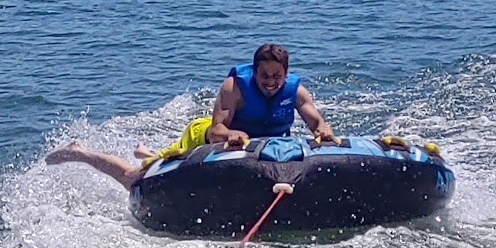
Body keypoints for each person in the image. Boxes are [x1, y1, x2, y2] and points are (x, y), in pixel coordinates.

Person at [45, 43, 336, 188]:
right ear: (254, 72)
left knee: (153, 160)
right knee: (135, 179)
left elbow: (316, 122)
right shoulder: (235, 87)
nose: (270, 82)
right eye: (264, 75)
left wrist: (323, 130)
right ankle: (80, 152)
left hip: (262, 151)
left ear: (286, 74)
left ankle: (148, 152)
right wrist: (231, 134)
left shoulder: (296, 91)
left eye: (277, 76)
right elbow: (216, 129)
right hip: (204, 139)